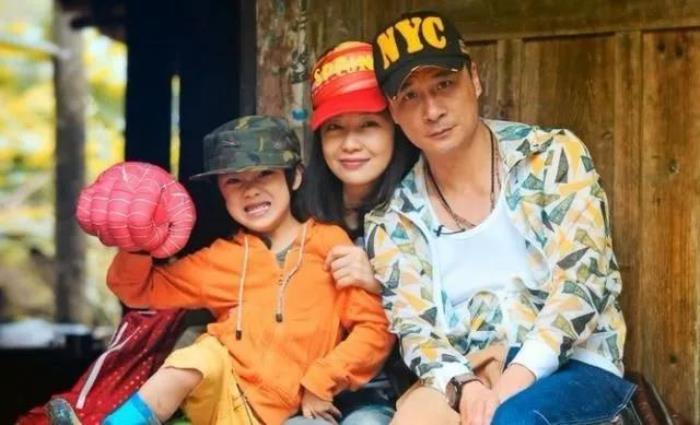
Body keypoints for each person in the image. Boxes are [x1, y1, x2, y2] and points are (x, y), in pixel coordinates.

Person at [364, 10, 636, 425]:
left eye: (444, 84)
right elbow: (417, 330)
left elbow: (582, 283)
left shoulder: (550, 157)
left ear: (474, 79)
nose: (432, 110)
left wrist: (509, 384)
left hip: (575, 364)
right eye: (410, 96)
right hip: (468, 373)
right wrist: (467, 387)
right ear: (394, 111)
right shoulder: (393, 219)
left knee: (510, 420)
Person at [58, 116, 395, 425]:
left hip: (297, 408)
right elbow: (138, 291)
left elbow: (374, 328)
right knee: (200, 356)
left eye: (265, 173)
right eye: (234, 180)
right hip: (226, 403)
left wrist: (322, 381)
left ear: (295, 177)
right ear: (221, 191)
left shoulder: (330, 243)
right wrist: (137, 243)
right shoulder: (220, 259)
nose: (251, 189)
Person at [287, 42, 419, 425]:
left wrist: (382, 281)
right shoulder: (299, 212)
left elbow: (457, 309)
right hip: (303, 391)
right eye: (335, 128)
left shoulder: (420, 207)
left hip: (393, 395)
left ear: (395, 127)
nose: (349, 144)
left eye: (368, 125)